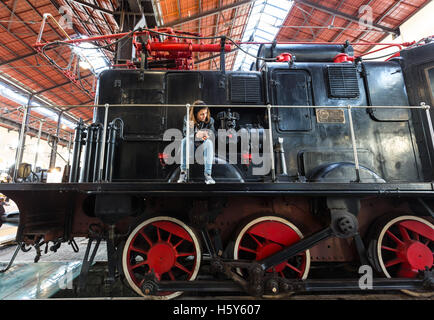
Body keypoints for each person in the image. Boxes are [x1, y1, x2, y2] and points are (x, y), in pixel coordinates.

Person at [178, 100, 216, 184]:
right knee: (184, 140)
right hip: (192, 146)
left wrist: (207, 135)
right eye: (201, 114)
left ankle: (208, 175)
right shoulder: (189, 119)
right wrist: (196, 135)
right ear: (195, 114)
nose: (204, 116)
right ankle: (183, 173)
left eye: (206, 113)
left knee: (209, 143)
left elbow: (213, 134)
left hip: (203, 147)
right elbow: (185, 133)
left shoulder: (210, 120)